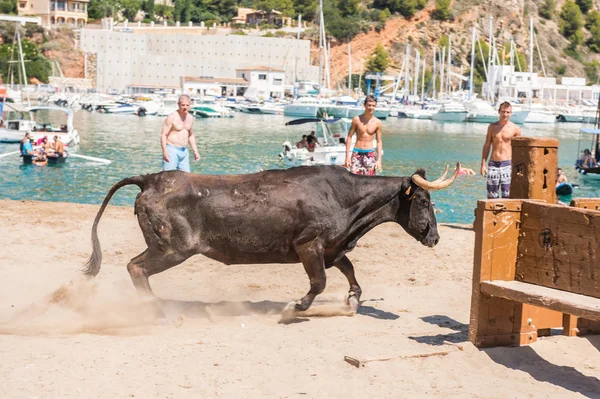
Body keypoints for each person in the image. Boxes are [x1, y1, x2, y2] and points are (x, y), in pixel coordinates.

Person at [480, 101, 522, 199]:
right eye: (503, 111)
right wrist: (483, 164)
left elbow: (519, 150)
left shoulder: (515, 128)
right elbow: (487, 145)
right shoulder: (492, 127)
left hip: (507, 164)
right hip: (493, 163)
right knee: (491, 195)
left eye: (508, 112)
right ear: (499, 112)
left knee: (507, 195)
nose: (505, 114)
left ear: (511, 113)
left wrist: (519, 168)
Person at [344, 94, 383, 176]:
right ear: (364, 105)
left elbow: (379, 141)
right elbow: (349, 137)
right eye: (369, 105)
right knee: (354, 181)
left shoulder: (377, 122)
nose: (371, 108)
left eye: (373, 106)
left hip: (370, 154)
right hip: (357, 153)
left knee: (370, 182)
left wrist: (379, 160)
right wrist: (347, 157)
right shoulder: (356, 120)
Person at [160, 94, 199, 172]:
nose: (185, 107)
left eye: (187, 105)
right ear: (178, 104)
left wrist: (195, 151)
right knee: (169, 178)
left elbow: (190, 135)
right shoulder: (172, 117)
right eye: (183, 105)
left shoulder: (190, 118)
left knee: (186, 179)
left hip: (184, 151)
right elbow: (163, 135)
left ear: (190, 105)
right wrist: (164, 151)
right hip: (171, 150)